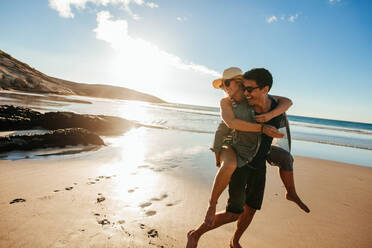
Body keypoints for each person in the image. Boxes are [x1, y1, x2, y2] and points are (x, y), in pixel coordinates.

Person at [186, 68, 307, 248]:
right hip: (241, 160)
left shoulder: (262, 101)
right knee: (234, 212)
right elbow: (228, 124)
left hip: (260, 163)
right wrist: (217, 150)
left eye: (227, 83)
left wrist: (271, 115)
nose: (225, 88)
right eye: (222, 85)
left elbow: (286, 101)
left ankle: (235, 241)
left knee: (251, 210)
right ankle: (196, 234)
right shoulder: (234, 103)